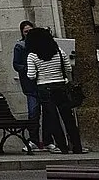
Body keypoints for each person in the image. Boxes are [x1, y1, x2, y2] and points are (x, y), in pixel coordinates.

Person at [25, 25, 84, 153]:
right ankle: (77, 146)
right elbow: (68, 69)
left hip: (44, 88)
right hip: (61, 86)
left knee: (53, 119)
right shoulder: (59, 51)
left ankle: (62, 146)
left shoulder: (32, 55)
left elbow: (31, 75)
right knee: (68, 118)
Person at [12, 20, 39, 148]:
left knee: (48, 113)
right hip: (29, 84)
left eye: (30, 31)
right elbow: (16, 64)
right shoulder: (20, 46)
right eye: (26, 31)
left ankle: (46, 140)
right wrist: (28, 69)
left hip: (41, 82)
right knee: (33, 112)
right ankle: (34, 139)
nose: (28, 33)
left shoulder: (40, 45)